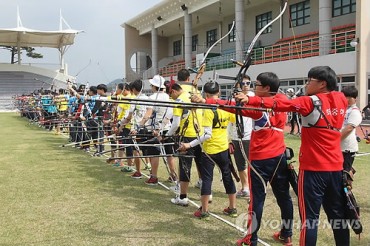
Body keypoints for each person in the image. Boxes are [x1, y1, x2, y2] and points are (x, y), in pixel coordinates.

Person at [234, 66, 349, 246]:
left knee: (310, 220)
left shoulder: (309, 101)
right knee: (338, 215)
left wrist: (250, 98)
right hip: (336, 167)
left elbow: (281, 104)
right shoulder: (341, 98)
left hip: (313, 169)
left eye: (310, 80)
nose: (306, 83)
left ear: (322, 83)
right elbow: (281, 100)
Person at [192, 72, 293, 245]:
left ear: (267, 88)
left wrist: (206, 101)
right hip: (279, 156)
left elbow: (231, 106)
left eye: (257, 85)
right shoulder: (281, 101)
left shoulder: (259, 109)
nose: (253, 88)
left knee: (257, 200)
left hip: (262, 161)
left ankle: (251, 238)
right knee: (284, 197)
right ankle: (287, 234)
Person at [179, 81, 237, 219]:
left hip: (209, 150)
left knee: (207, 179)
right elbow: (234, 123)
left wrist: (189, 145)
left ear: (205, 94)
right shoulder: (226, 106)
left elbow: (207, 135)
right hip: (223, 148)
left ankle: (204, 210)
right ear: (219, 93)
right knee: (227, 176)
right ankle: (232, 208)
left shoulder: (208, 110)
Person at [165, 82, 203, 206]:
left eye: (171, 95)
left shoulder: (179, 101)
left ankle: (183, 197)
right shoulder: (194, 95)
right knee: (201, 164)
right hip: (200, 135)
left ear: (174, 91)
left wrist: (167, 135)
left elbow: (175, 124)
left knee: (185, 167)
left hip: (187, 137)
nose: (172, 98)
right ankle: (207, 193)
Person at [119, 79, 153, 179]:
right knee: (147, 151)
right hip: (146, 128)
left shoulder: (134, 100)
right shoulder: (148, 98)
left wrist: (121, 124)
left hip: (136, 129)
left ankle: (138, 172)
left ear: (134, 89)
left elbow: (129, 117)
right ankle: (152, 174)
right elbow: (148, 114)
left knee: (136, 151)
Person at [228, 75, 253, 198]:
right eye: (243, 83)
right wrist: (229, 138)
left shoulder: (253, 97)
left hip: (250, 136)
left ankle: (254, 188)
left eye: (248, 83)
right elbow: (230, 120)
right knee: (240, 164)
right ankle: (245, 188)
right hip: (236, 136)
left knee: (253, 164)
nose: (246, 85)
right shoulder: (234, 99)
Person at [340, 87, 362, 184]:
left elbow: (349, 128)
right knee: (337, 172)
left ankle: (347, 196)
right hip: (338, 147)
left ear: (355, 98)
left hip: (347, 148)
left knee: (345, 175)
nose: (346, 100)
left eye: (349, 97)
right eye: (344, 97)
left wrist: (334, 140)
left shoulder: (355, 111)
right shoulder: (342, 109)